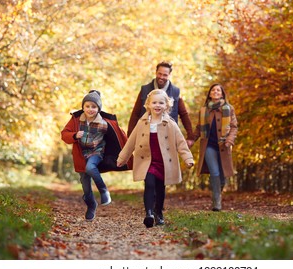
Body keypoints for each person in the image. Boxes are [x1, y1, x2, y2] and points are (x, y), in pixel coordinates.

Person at [117, 89, 194, 228]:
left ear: (166, 105)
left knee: (160, 189)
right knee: (149, 184)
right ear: (148, 105)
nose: (157, 105)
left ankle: (159, 212)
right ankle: (149, 214)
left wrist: (188, 158)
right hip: (148, 161)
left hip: (164, 162)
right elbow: (131, 141)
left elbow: (181, 143)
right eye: (154, 102)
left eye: (161, 103)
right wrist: (122, 157)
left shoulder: (170, 124)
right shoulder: (142, 122)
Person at [61, 90, 131, 221]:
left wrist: (129, 150)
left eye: (94, 107)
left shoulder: (104, 123)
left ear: (98, 108)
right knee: (85, 185)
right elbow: (64, 134)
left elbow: (119, 135)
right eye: (87, 106)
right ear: (83, 107)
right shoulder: (76, 119)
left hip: (96, 153)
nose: (90, 109)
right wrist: (74, 135)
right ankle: (91, 204)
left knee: (90, 168)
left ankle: (104, 191)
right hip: (81, 155)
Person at [191, 84, 238, 211]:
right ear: (210, 94)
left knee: (222, 176)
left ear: (222, 94)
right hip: (208, 145)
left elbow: (234, 127)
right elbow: (199, 128)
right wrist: (191, 140)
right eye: (213, 90)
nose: (215, 91)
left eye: (218, 90)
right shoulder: (204, 110)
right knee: (214, 172)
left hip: (224, 145)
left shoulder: (228, 109)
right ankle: (216, 201)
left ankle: (219, 191)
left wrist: (229, 140)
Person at [127, 61, 194, 147]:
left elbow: (184, 115)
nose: (161, 77)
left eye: (165, 75)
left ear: (169, 75)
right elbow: (135, 113)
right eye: (159, 74)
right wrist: (129, 136)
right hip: (146, 133)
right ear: (156, 73)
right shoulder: (145, 90)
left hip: (168, 135)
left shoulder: (175, 92)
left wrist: (190, 136)